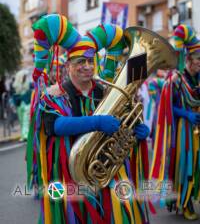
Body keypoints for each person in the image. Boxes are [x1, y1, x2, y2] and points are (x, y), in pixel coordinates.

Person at [27, 14, 152, 224]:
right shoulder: (53, 93)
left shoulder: (106, 92)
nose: (86, 66)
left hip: (104, 169)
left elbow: (123, 124)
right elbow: (54, 126)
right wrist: (95, 122)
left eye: (90, 61)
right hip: (68, 173)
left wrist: (138, 132)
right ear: (68, 66)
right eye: (80, 62)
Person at [150, 24, 200, 220]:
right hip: (183, 130)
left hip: (198, 126)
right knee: (185, 165)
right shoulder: (175, 78)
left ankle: (193, 196)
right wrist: (186, 114)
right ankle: (185, 202)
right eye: (197, 60)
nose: (199, 63)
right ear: (188, 59)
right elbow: (166, 107)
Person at [12, 69, 32, 141]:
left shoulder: (28, 84)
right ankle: (23, 135)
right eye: (24, 76)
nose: (25, 78)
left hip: (27, 105)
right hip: (19, 105)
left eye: (25, 76)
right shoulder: (15, 86)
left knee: (26, 120)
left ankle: (26, 135)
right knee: (21, 121)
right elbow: (14, 96)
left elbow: (29, 93)